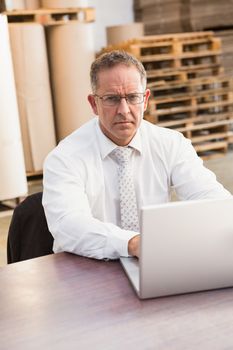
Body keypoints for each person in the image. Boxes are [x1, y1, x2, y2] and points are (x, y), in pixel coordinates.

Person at [42, 50, 231, 260]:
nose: (124, 110)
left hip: (154, 262)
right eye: (112, 99)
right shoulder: (65, 157)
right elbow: (68, 225)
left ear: (146, 99)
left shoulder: (171, 144)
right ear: (94, 104)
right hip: (89, 267)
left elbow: (212, 200)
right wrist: (132, 243)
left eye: (133, 97)